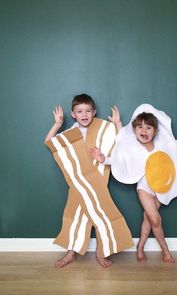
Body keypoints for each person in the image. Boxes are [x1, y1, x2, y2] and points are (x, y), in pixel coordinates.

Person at [92, 104, 177, 264]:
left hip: (160, 189)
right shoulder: (133, 147)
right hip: (144, 189)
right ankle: (166, 251)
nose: (144, 130)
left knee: (148, 219)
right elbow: (119, 156)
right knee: (155, 220)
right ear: (134, 130)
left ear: (155, 131)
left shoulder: (162, 145)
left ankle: (140, 246)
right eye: (140, 127)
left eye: (148, 127)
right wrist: (105, 155)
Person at [44, 94, 133, 269]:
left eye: (87, 111)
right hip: (78, 183)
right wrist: (57, 124)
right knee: (75, 216)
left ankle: (101, 253)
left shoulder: (104, 129)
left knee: (102, 215)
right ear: (73, 114)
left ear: (94, 112)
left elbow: (123, 142)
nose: (84, 114)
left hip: (98, 180)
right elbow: (49, 142)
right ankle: (71, 253)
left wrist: (117, 123)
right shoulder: (70, 133)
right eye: (79, 111)